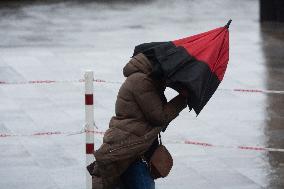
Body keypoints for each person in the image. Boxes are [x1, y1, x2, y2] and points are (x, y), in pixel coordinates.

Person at [89, 53, 187, 189]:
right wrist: (183, 98)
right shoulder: (141, 81)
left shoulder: (147, 80)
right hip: (134, 155)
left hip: (135, 150)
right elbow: (159, 117)